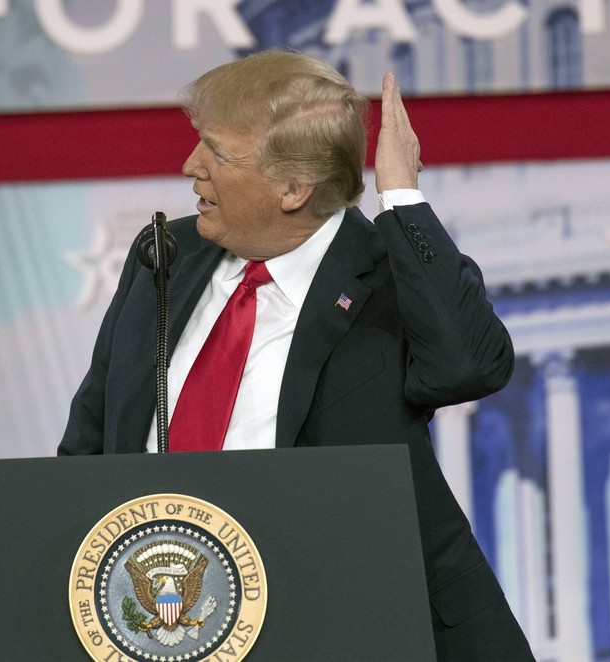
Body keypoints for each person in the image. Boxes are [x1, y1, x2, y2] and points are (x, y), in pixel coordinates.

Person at [58, 50, 534, 661]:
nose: (189, 166)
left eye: (216, 153)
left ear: (292, 188)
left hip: (357, 626)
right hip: (162, 627)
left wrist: (403, 198)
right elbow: (90, 439)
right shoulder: (165, 254)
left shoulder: (390, 276)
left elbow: (470, 366)